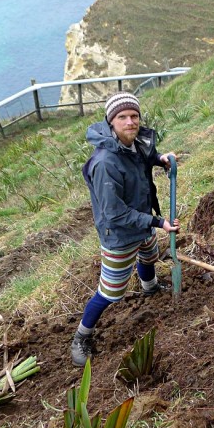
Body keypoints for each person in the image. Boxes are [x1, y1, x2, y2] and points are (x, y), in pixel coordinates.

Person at [71, 91, 180, 366]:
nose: (130, 122)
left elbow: (145, 156)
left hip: (142, 221)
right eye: (123, 117)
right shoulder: (105, 163)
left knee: (149, 255)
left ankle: (150, 287)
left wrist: (161, 159)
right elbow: (114, 213)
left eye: (134, 116)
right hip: (119, 234)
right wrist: (158, 222)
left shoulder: (135, 143)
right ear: (111, 122)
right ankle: (81, 337)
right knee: (110, 292)